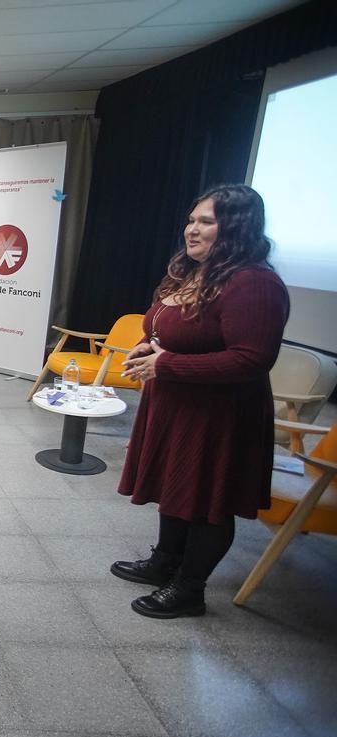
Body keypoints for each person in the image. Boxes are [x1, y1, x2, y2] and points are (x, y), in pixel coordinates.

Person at [112, 185, 289, 619]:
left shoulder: (254, 283)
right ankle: (164, 563)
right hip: (178, 404)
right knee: (176, 488)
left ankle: (189, 588)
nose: (192, 229)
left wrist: (168, 364)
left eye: (205, 221)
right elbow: (169, 329)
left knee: (209, 501)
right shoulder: (195, 273)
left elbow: (251, 358)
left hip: (220, 416)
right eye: (191, 220)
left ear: (236, 226)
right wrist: (146, 346)